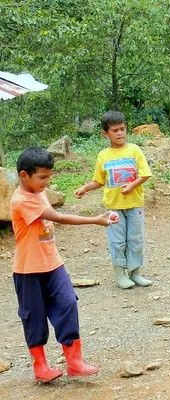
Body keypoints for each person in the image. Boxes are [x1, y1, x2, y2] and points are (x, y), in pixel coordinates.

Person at [10, 147, 117, 382]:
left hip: (53, 264)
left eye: (49, 177)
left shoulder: (39, 191)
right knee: (34, 316)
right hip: (28, 270)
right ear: (23, 175)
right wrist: (95, 220)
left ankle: (74, 361)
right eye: (42, 177)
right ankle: (41, 366)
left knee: (68, 302)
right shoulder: (22, 199)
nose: (47, 182)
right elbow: (57, 218)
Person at [75, 110, 152, 289]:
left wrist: (132, 185)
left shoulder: (134, 150)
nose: (120, 133)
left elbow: (145, 174)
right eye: (115, 130)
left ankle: (135, 273)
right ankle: (120, 275)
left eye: (122, 129)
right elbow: (98, 180)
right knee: (117, 241)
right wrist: (85, 188)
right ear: (105, 133)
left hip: (134, 204)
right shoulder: (103, 155)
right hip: (114, 207)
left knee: (136, 239)